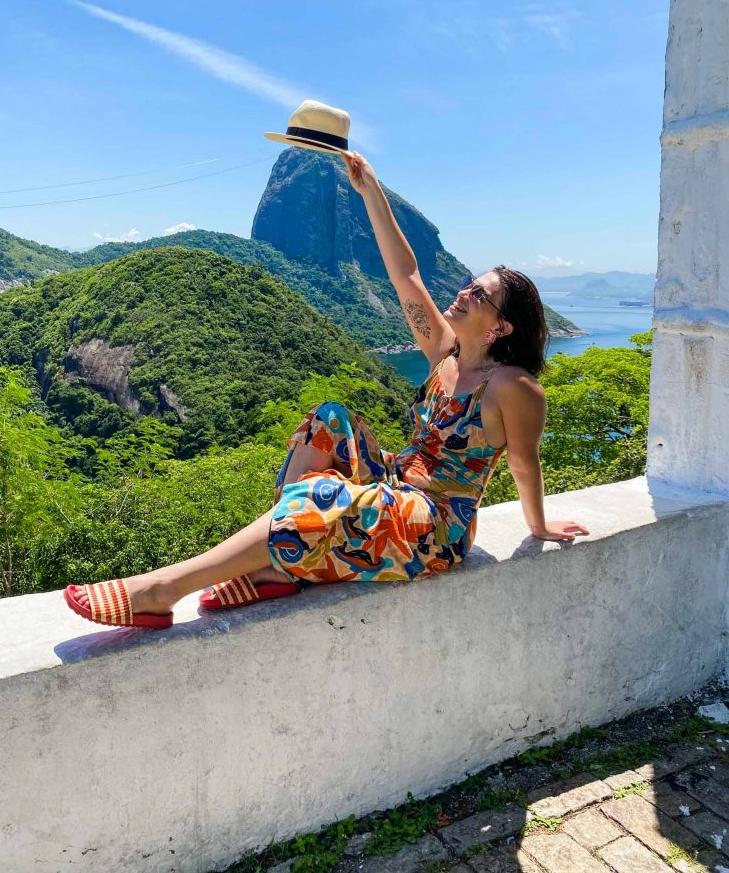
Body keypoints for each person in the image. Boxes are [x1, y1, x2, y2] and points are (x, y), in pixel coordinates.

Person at [64, 151, 589, 630]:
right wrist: (371, 192)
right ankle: (283, 562)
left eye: (480, 294)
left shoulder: (514, 388)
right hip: (397, 482)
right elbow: (406, 275)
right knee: (328, 419)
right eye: (471, 283)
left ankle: (162, 588)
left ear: (502, 327)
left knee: (325, 493)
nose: (464, 291)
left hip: (436, 524)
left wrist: (538, 526)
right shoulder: (446, 353)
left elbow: (524, 464)